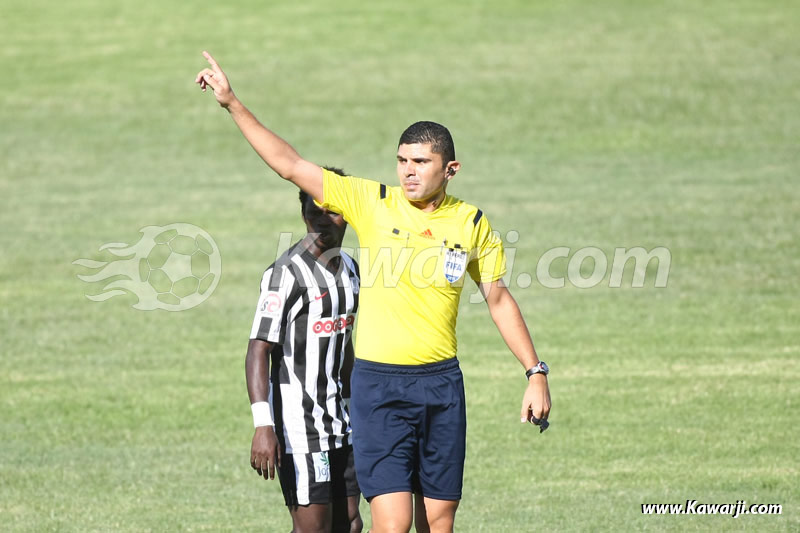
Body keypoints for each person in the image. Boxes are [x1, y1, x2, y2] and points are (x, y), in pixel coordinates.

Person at [199, 51, 551, 533]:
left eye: (421, 162)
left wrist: (534, 371)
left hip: (442, 384)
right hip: (378, 387)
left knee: (439, 521)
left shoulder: (471, 223)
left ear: (450, 169)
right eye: (402, 160)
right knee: (391, 524)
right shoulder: (372, 202)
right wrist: (232, 103)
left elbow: (498, 298)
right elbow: (289, 164)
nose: (408, 171)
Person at [245, 173, 363, 533]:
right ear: (304, 215)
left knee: (352, 524)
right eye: (316, 211)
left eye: (335, 212)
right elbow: (257, 350)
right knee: (314, 529)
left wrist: (359, 405)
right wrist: (263, 424)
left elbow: (344, 345)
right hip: (301, 427)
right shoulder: (286, 274)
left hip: (342, 422)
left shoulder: (351, 271)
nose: (325, 220)